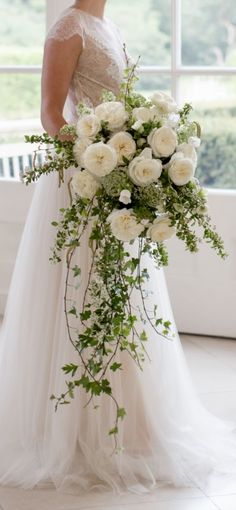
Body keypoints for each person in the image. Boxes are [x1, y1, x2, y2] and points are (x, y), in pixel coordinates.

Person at [0, 0, 236, 495]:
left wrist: (140, 153)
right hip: (83, 184)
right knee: (81, 292)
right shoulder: (67, 27)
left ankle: (134, 426)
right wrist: (97, 167)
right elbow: (49, 113)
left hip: (117, 183)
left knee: (123, 295)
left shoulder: (108, 25)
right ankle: (71, 431)